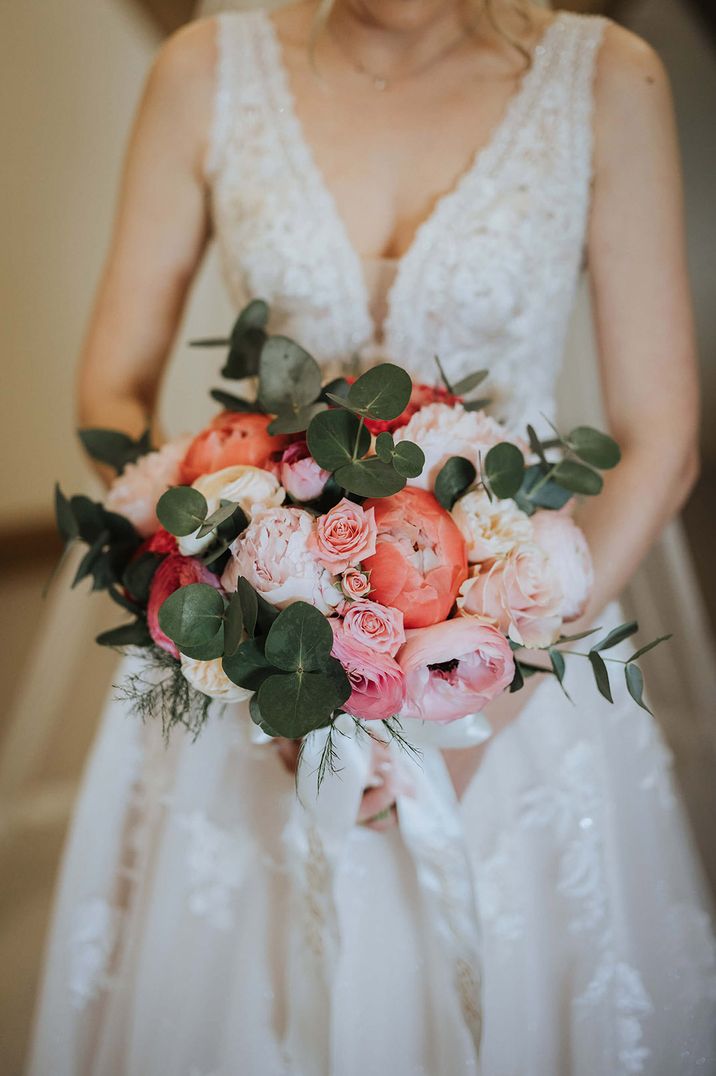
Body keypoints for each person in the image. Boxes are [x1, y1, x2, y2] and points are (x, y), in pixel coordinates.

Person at [27, 2, 716, 1073]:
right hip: (252, 668)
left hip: (526, 654)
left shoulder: (604, 81)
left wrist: (488, 685)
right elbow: (111, 392)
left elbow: (661, 435)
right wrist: (234, 620)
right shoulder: (203, 71)